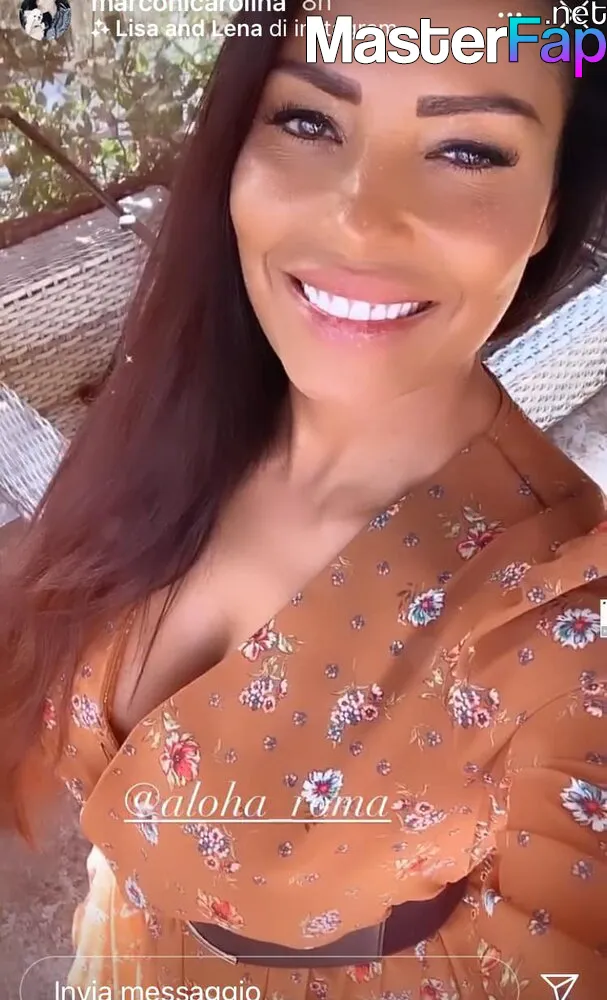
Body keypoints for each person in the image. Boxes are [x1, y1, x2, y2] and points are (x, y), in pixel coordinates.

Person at [1, 0, 606, 996]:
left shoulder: (564, 626)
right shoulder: (175, 416)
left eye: (466, 150)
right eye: (309, 120)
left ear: (549, 207)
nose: (358, 218)